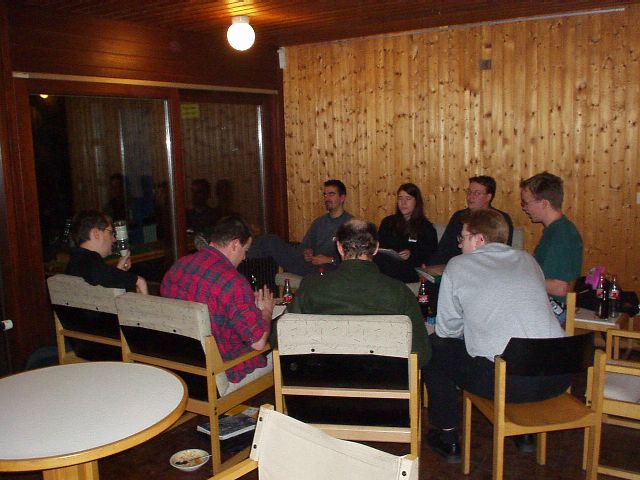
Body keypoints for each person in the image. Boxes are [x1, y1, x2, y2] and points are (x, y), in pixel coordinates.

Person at [425, 209, 568, 463]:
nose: (459, 244)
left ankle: (448, 438)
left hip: (508, 383)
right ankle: (525, 433)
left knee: (435, 347)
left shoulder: (458, 266)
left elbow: (447, 330)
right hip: (558, 376)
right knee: (512, 350)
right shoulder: (528, 260)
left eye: (462, 238)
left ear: (479, 239)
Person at [286, 218, 431, 368]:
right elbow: (421, 355)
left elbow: (281, 338)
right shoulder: (400, 292)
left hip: (322, 378)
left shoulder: (311, 287)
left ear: (339, 247)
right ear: (376, 248)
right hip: (383, 379)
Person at [161, 215, 274, 386]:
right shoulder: (233, 282)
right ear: (235, 244)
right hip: (220, 369)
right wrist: (266, 311)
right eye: (245, 250)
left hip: (181, 365)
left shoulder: (178, 267)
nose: (244, 258)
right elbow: (258, 343)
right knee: (277, 344)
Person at [248, 179, 353, 276]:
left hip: (329, 269)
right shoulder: (319, 222)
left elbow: (355, 257)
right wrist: (307, 251)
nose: (327, 198)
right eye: (325, 195)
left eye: (331, 194)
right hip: (309, 263)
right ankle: (245, 260)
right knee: (269, 240)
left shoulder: (350, 224)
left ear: (342, 198)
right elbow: (304, 245)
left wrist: (330, 260)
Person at [520, 172, 583, 321]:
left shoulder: (561, 235)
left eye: (526, 202)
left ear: (544, 203)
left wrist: (520, 278)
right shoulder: (557, 230)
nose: (524, 208)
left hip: (553, 310)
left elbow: (559, 288)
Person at [429, 175, 513, 266]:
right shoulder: (459, 216)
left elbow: (503, 251)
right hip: (456, 264)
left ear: (488, 197)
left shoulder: (500, 219)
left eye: (477, 193)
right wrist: (431, 266)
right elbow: (444, 248)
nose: (470, 196)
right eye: (469, 192)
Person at [66, 210, 148, 294]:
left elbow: (99, 278)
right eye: (111, 233)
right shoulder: (87, 261)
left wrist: (118, 272)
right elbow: (96, 273)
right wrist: (137, 280)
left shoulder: (76, 259)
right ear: (96, 234)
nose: (114, 239)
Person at [375, 183, 438, 282]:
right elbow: (379, 244)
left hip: (410, 268)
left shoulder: (426, 227)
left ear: (416, 202)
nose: (403, 203)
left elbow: (430, 254)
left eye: (408, 199)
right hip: (387, 262)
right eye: (400, 198)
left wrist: (411, 254)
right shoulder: (388, 222)